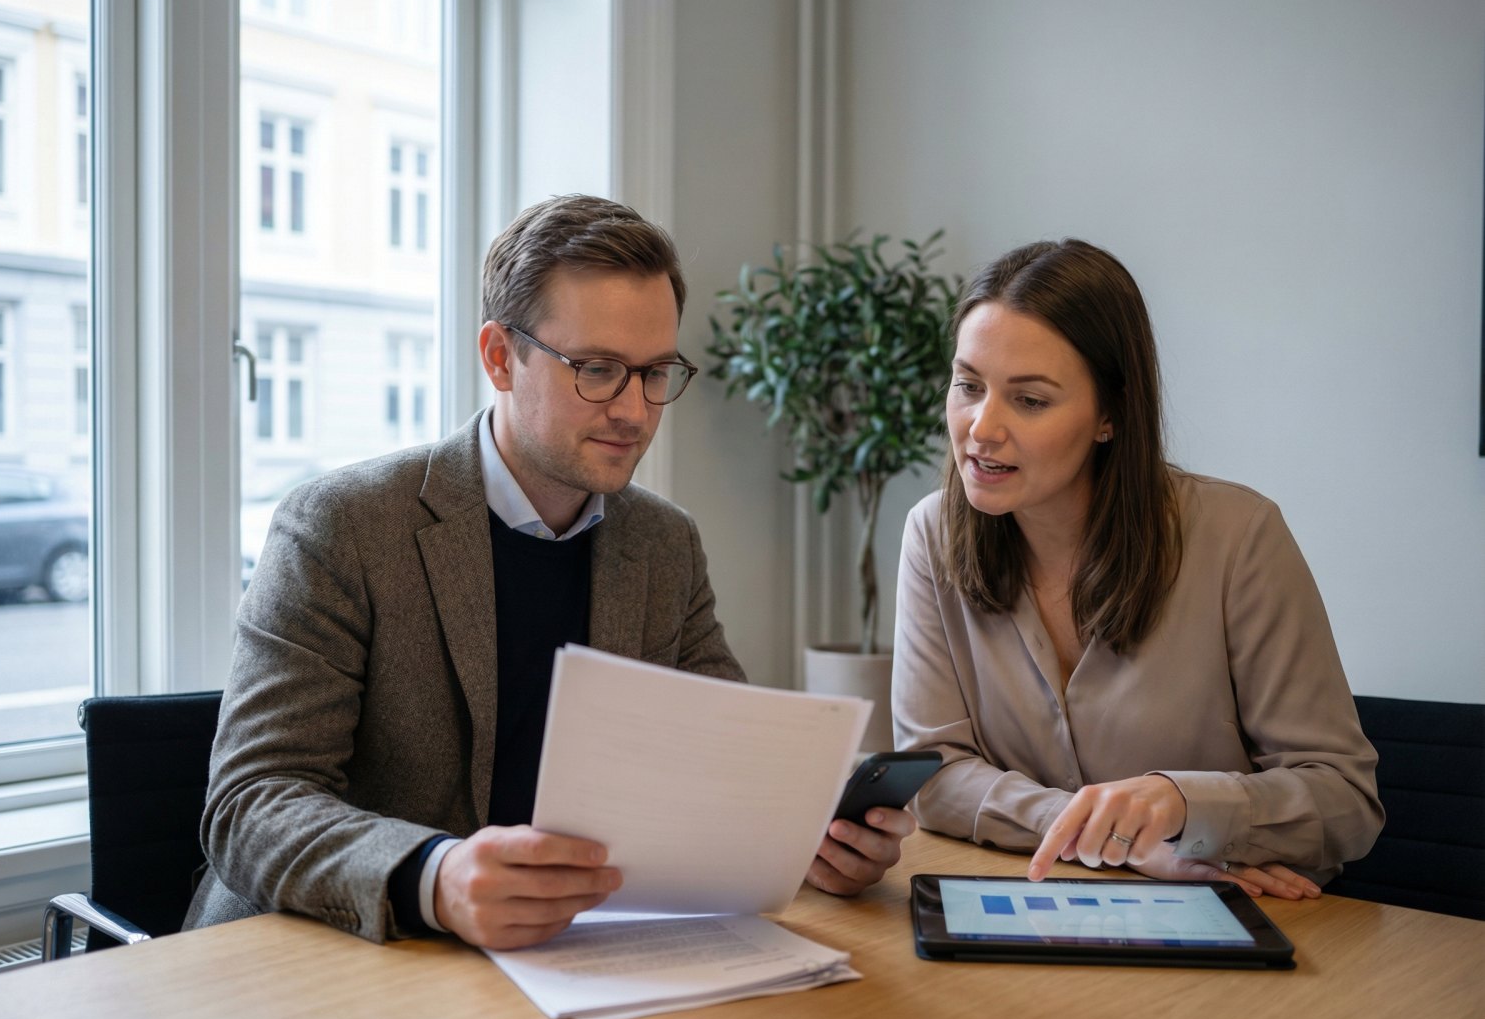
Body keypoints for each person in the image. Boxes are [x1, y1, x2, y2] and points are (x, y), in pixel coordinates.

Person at [186, 194, 912, 950]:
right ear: (501, 357)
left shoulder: (663, 544)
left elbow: (722, 758)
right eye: (596, 370)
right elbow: (250, 803)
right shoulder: (342, 526)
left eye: (655, 372)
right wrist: (435, 876)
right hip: (334, 960)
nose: (634, 409)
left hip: (570, 956)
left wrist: (808, 837)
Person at [892, 238, 1382, 899]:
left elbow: (1346, 802)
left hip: (1235, 933)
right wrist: (1104, 839)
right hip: (1039, 910)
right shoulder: (933, 534)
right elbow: (934, 775)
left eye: (1029, 400)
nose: (980, 429)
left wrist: (1178, 805)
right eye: (969, 386)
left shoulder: (1238, 537)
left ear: (1110, 415)